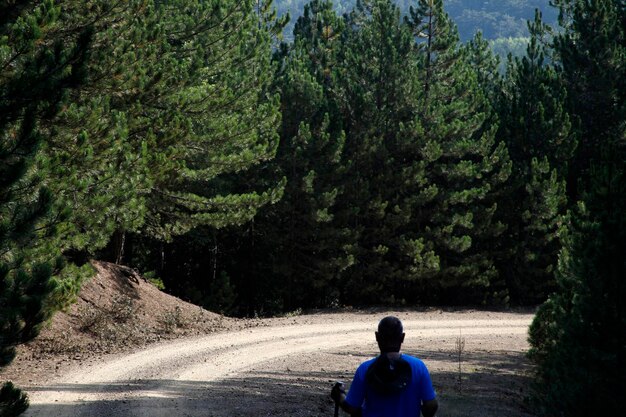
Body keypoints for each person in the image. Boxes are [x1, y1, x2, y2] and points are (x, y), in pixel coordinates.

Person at [331, 316, 438, 417]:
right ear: (402, 337)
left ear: (377, 337)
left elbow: (352, 407)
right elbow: (431, 406)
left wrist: (340, 396)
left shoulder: (365, 368)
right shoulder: (419, 367)